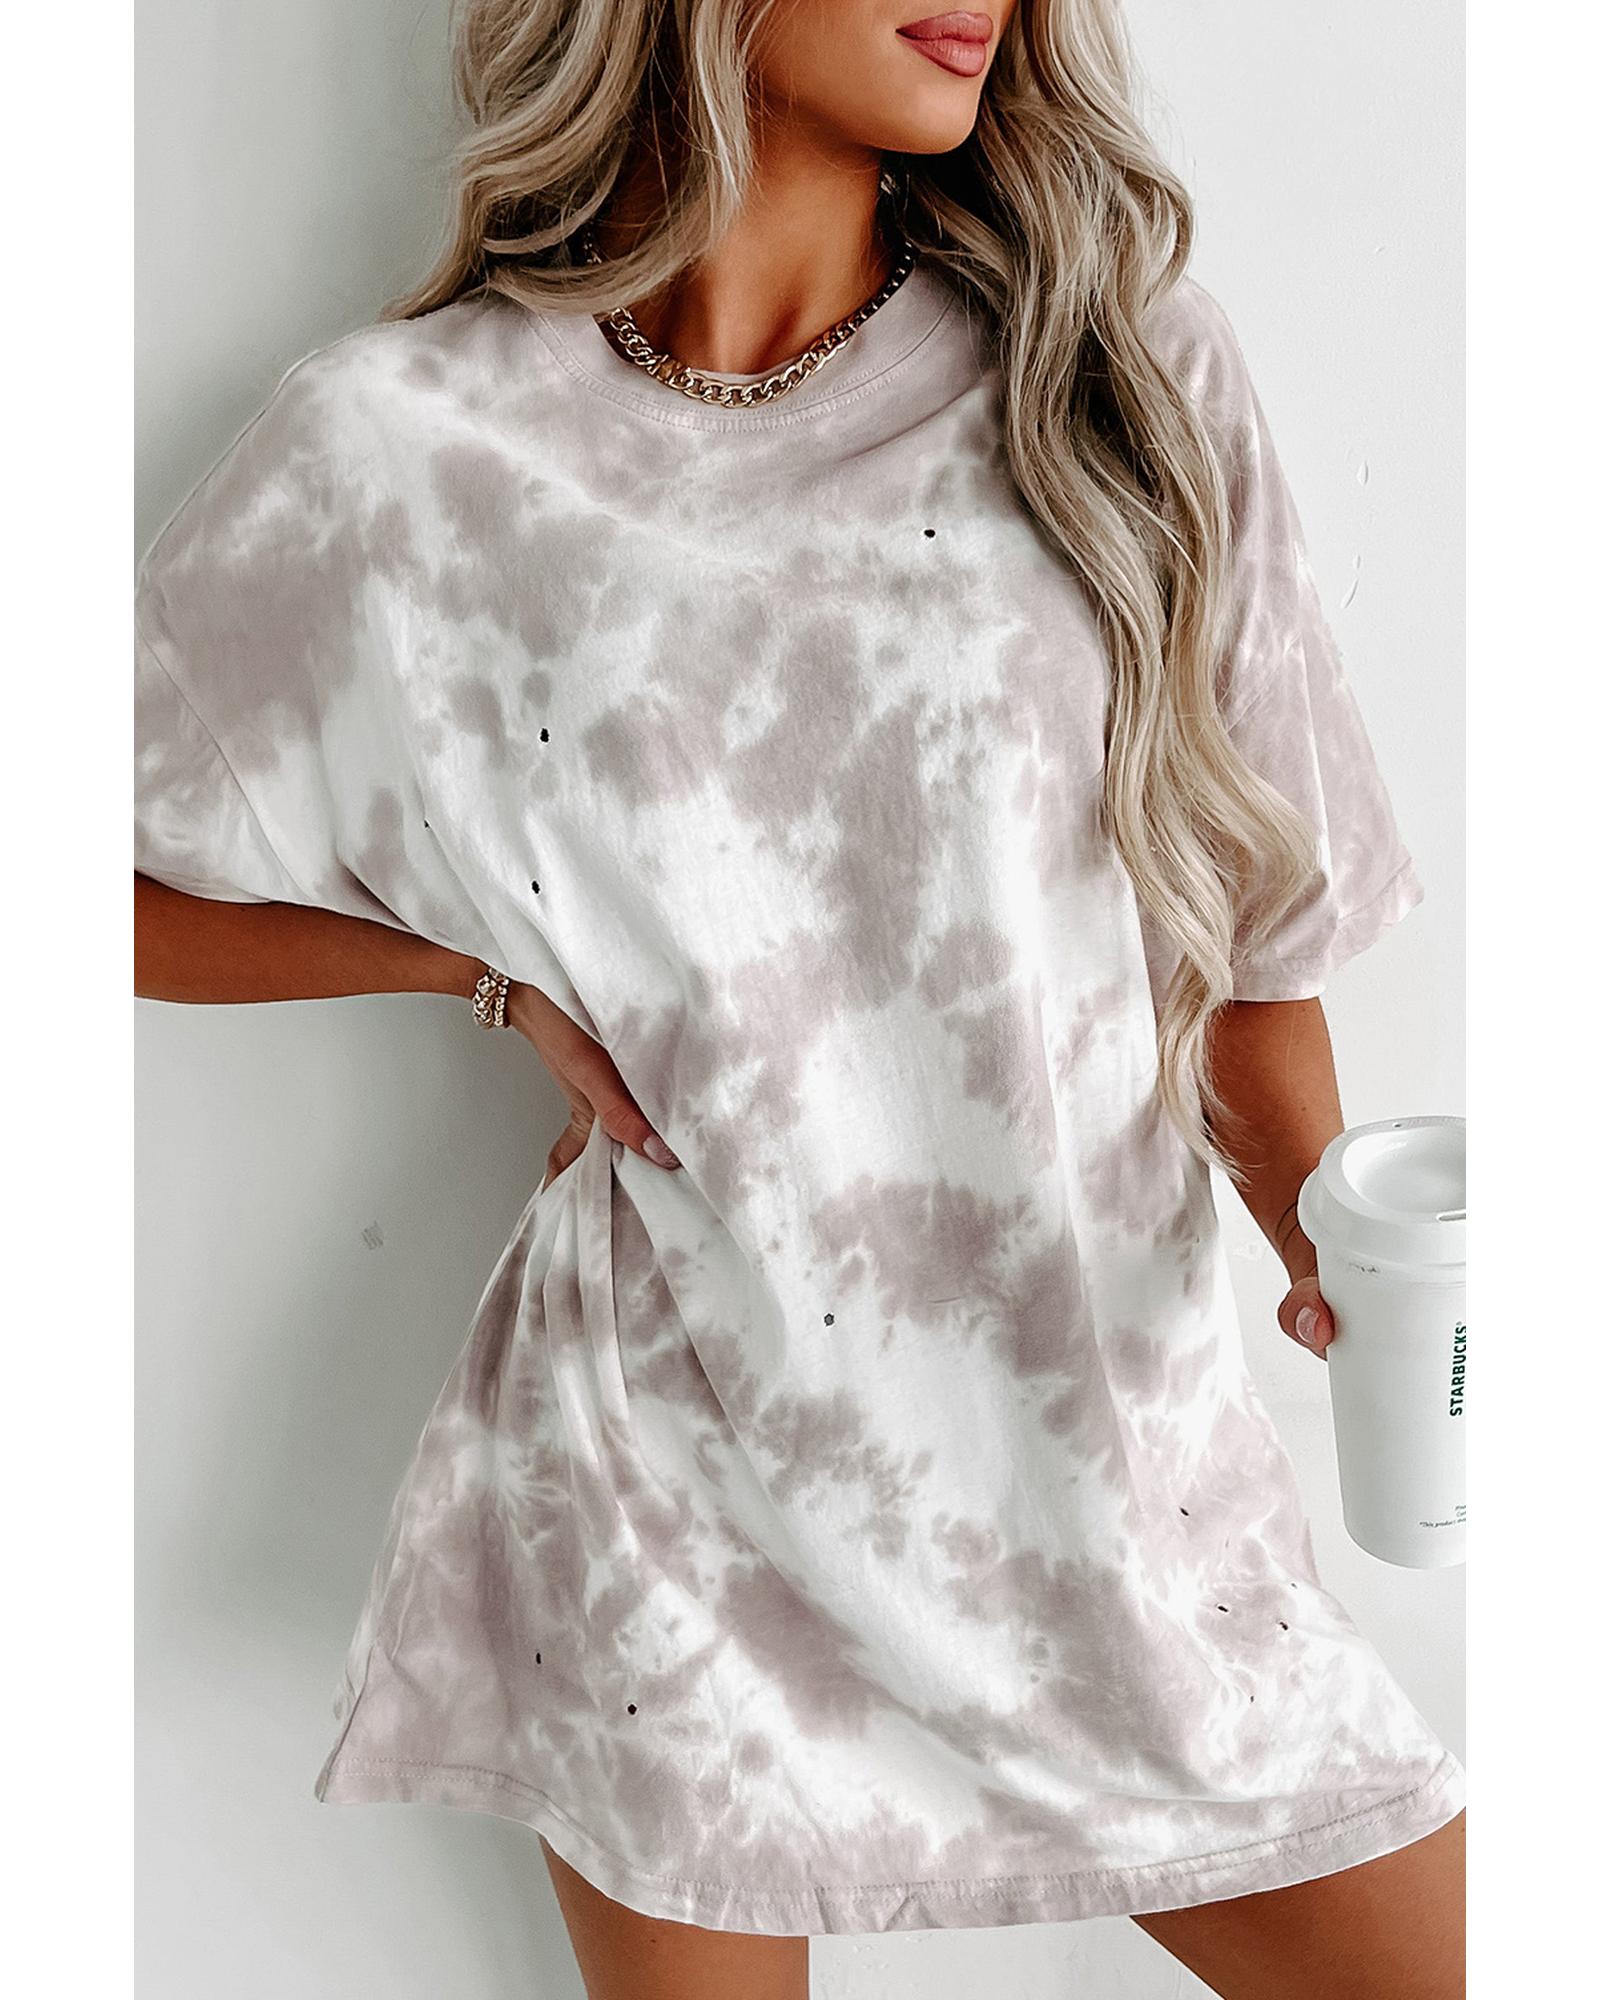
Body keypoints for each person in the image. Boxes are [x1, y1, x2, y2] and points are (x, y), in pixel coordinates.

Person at [132, 2, 1466, 1994]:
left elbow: (1254, 941)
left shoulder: (1118, 381)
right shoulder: (404, 450)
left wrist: (1337, 1250)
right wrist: (476, 972)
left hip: (1088, 1477)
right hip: (669, 1486)